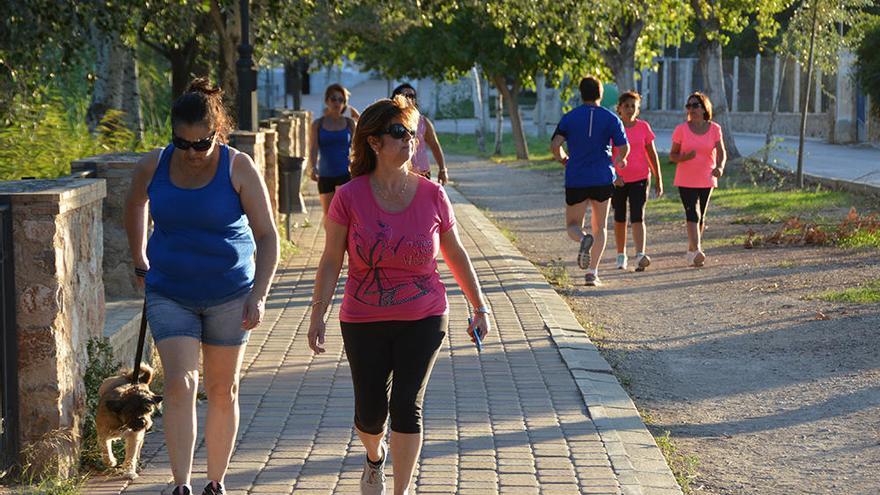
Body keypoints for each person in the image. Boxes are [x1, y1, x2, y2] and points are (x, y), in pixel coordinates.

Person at [308, 95, 490, 495]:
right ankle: (375, 457)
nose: (409, 140)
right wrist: (317, 314)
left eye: (412, 132)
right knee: (370, 415)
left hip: (424, 315)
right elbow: (330, 260)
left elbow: (455, 252)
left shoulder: (432, 195)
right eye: (398, 133)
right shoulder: (349, 196)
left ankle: (401, 490)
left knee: (407, 404)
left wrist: (479, 305)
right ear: (373, 142)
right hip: (363, 318)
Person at [124, 78, 279, 495]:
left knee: (221, 389)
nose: (191, 153)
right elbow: (135, 202)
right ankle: (180, 484)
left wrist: (259, 294)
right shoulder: (154, 165)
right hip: (170, 290)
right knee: (179, 383)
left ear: (217, 133)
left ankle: (216, 482)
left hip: (231, 292)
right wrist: (139, 255)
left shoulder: (238, 166)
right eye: (182, 143)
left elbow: (267, 236)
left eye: (201, 143)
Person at [550, 76, 629, 286]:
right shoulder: (612, 118)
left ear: (581, 93)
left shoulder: (570, 118)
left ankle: (582, 238)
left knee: (573, 225)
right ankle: (592, 273)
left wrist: (563, 159)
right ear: (600, 94)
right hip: (603, 176)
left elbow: (555, 144)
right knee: (600, 226)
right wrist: (620, 160)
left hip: (576, 177)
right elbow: (624, 146)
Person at [669, 92, 726, 267]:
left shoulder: (715, 128)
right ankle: (697, 250)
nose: (691, 109)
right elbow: (672, 155)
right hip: (685, 179)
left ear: (704, 108)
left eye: (695, 105)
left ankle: (691, 251)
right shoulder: (681, 129)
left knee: (701, 216)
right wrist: (685, 157)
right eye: (689, 106)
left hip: (706, 178)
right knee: (692, 213)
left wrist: (720, 167)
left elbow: (721, 152)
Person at [612, 91, 663, 271]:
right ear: (619, 108)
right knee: (619, 217)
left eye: (633, 106)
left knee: (637, 216)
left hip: (641, 177)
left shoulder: (643, 127)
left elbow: (652, 153)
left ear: (638, 109)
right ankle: (620, 255)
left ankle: (640, 254)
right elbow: (608, 154)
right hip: (618, 180)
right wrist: (613, 176)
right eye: (626, 106)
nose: (630, 109)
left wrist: (659, 177)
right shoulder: (614, 127)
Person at [310, 83, 357, 214]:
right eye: (333, 99)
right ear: (327, 101)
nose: (337, 103)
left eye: (341, 100)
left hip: (345, 174)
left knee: (344, 213)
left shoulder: (349, 123)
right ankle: (330, 235)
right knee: (329, 214)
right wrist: (313, 167)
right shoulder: (318, 124)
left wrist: (357, 166)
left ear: (344, 103)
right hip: (325, 175)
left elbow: (356, 147)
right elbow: (313, 148)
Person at [390, 83, 449, 185]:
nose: (409, 99)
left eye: (412, 96)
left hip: (421, 173)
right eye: (405, 96)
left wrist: (443, 169)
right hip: (395, 173)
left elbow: (434, 145)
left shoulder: (423, 122)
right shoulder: (388, 122)